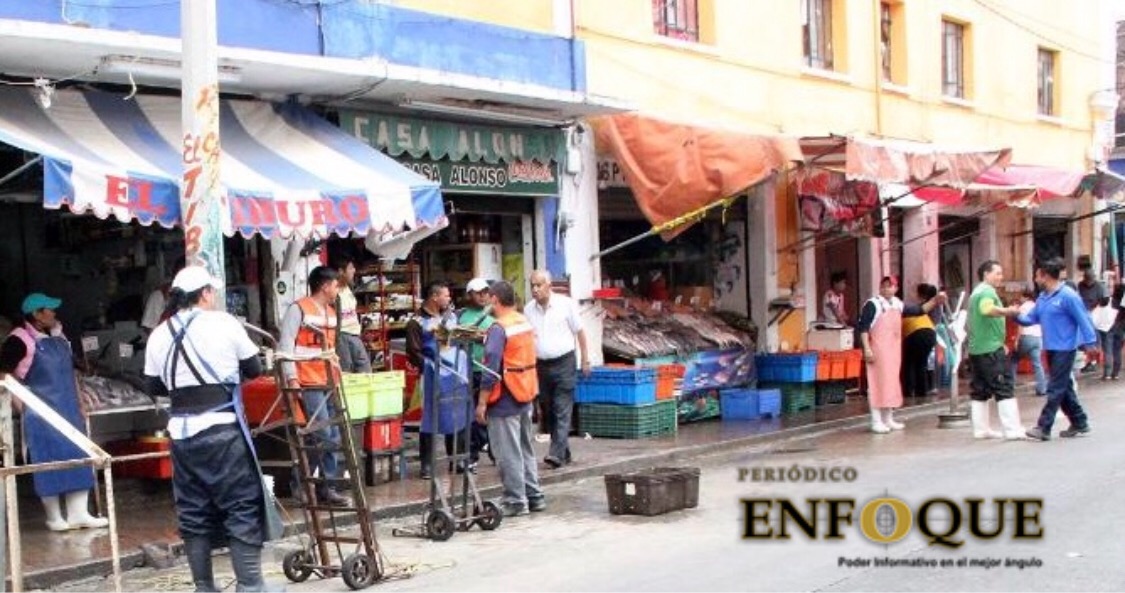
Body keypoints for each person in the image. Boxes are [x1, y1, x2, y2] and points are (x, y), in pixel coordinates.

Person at [141, 266, 273, 592]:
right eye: (211, 292)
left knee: (193, 512)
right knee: (241, 506)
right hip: (223, 429)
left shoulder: (160, 332)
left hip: (182, 436)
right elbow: (254, 368)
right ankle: (250, 585)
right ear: (205, 293)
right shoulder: (224, 323)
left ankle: (204, 587)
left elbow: (153, 385)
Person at [0, 294, 109, 532]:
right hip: (40, 411)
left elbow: (70, 372)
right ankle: (54, 516)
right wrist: (23, 405)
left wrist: (80, 401)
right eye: (49, 310)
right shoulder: (19, 340)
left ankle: (79, 513)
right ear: (37, 315)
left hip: (68, 407)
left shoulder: (60, 337)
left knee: (77, 456)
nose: (54, 314)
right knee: (47, 460)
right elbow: (4, 374)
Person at [278, 265, 350, 507]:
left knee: (331, 436)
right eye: (335, 285)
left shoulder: (330, 312)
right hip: (308, 379)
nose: (338, 290)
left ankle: (325, 487)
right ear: (324, 285)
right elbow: (285, 344)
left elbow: (330, 347)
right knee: (322, 435)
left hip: (328, 380)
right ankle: (305, 484)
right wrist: (291, 378)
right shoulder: (298, 309)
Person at [475, 280, 545, 517]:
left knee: (508, 453)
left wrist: (482, 402)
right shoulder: (522, 321)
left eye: (488, 297)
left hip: (505, 396)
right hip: (524, 392)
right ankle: (533, 496)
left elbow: (491, 368)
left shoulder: (499, 328)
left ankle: (515, 500)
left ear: (494, 299)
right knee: (525, 448)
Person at [1017, 258, 1098, 441]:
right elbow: (1030, 319)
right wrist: (1014, 315)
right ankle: (1080, 422)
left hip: (1065, 347)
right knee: (1064, 387)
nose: (1035, 278)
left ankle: (1044, 427)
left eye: (1037, 275)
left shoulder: (1068, 296)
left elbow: (1083, 318)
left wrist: (1091, 342)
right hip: (1050, 347)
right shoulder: (1043, 298)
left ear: (1045, 276)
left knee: (1055, 387)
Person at [857, 277, 944, 434]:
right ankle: (876, 420)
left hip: (892, 349)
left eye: (890, 286)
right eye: (883, 286)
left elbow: (918, 310)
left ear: (896, 288)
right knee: (877, 383)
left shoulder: (897, 303)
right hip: (878, 349)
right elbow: (863, 327)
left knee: (890, 383)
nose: (886, 289)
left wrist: (935, 301)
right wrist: (867, 349)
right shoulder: (873, 304)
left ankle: (888, 418)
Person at [524, 270, 590, 469]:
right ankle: (564, 451)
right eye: (532, 286)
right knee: (548, 409)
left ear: (549, 285)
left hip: (564, 362)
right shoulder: (528, 310)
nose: (535, 290)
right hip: (540, 365)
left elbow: (580, 332)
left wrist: (585, 359)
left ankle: (555, 454)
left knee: (562, 407)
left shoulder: (565, 304)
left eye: (539, 285)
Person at [405, 280, 467, 479]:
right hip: (431, 374)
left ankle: (456, 460)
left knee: (455, 413)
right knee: (430, 417)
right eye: (446, 295)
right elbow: (413, 353)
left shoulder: (451, 317)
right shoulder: (416, 322)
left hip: (453, 373)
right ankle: (427, 464)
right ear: (434, 297)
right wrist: (431, 368)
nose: (449, 299)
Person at [965, 261, 1024, 440]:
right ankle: (1012, 429)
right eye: (997, 273)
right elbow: (987, 309)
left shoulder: (976, 292)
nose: (1001, 277)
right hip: (990, 349)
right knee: (1003, 386)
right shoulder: (987, 292)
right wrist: (1008, 311)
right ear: (986, 274)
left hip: (977, 349)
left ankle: (981, 429)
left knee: (980, 389)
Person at [458, 278, 496, 468]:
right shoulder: (461, 315)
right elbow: (454, 335)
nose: (482, 296)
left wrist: (485, 337)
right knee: (472, 415)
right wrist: (473, 335)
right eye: (478, 292)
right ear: (469, 294)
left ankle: (494, 450)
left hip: (489, 370)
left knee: (491, 413)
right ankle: (472, 454)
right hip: (469, 371)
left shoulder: (494, 314)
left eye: (485, 292)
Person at [332, 254, 372, 373]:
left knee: (365, 371)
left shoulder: (349, 288)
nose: (354, 271)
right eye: (350, 268)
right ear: (340, 271)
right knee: (346, 373)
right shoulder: (333, 292)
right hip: (342, 336)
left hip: (355, 335)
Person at [900, 283, 939, 398]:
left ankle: (908, 391)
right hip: (930, 334)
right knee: (921, 363)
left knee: (908, 363)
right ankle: (921, 391)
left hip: (915, 334)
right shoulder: (916, 309)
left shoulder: (903, 312)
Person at [1009, 287, 1047, 396]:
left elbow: (1021, 324)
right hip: (1038, 338)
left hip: (1026, 337)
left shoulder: (1023, 307)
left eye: (1021, 296)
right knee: (1037, 364)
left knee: (1014, 359)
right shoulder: (1037, 306)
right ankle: (1041, 389)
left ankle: (1010, 386)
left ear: (1025, 297)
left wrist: (1017, 340)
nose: (1020, 298)